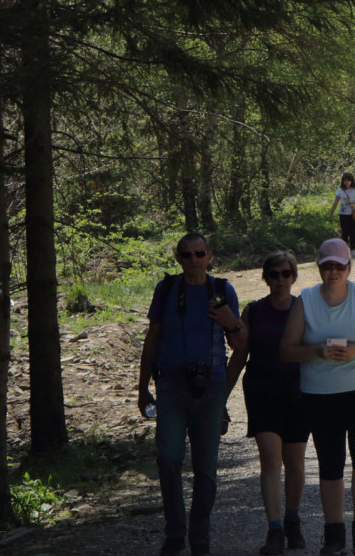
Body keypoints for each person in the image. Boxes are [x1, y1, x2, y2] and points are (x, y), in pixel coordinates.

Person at [280, 239, 355, 556]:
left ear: (349, 267)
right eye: (327, 266)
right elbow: (287, 350)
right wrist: (318, 351)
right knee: (329, 462)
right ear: (319, 267)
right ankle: (333, 534)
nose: (333, 272)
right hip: (320, 392)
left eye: (340, 266)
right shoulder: (305, 300)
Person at [138, 233, 246, 556]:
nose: (193, 260)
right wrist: (142, 388)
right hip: (170, 385)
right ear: (177, 257)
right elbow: (152, 338)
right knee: (168, 459)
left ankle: (200, 538)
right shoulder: (167, 289)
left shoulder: (222, 290)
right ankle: (175, 533)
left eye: (199, 253)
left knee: (205, 467)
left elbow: (241, 349)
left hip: (210, 387)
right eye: (186, 255)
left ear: (209, 256)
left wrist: (232, 323)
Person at [233, 252, 309, 556]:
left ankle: (292, 519)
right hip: (262, 389)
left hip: (297, 392)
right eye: (274, 274)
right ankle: (275, 528)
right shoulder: (253, 311)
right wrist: (220, 397)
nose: (280, 280)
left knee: (295, 463)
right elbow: (239, 355)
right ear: (265, 277)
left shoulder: (305, 310)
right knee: (269, 459)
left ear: (294, 277)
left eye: (286, 274)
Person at [329, 172, 355, 254]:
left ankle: (353, 249)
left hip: (352, 214)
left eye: (348, 180)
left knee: (352, 232)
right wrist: (331, 215)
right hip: (343, 214)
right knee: (344, 233)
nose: (347, 182)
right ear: (342, 181)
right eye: (345, 180)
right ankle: (344, 251)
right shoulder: (339, 191)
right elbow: (335, 203)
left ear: (351, 181)